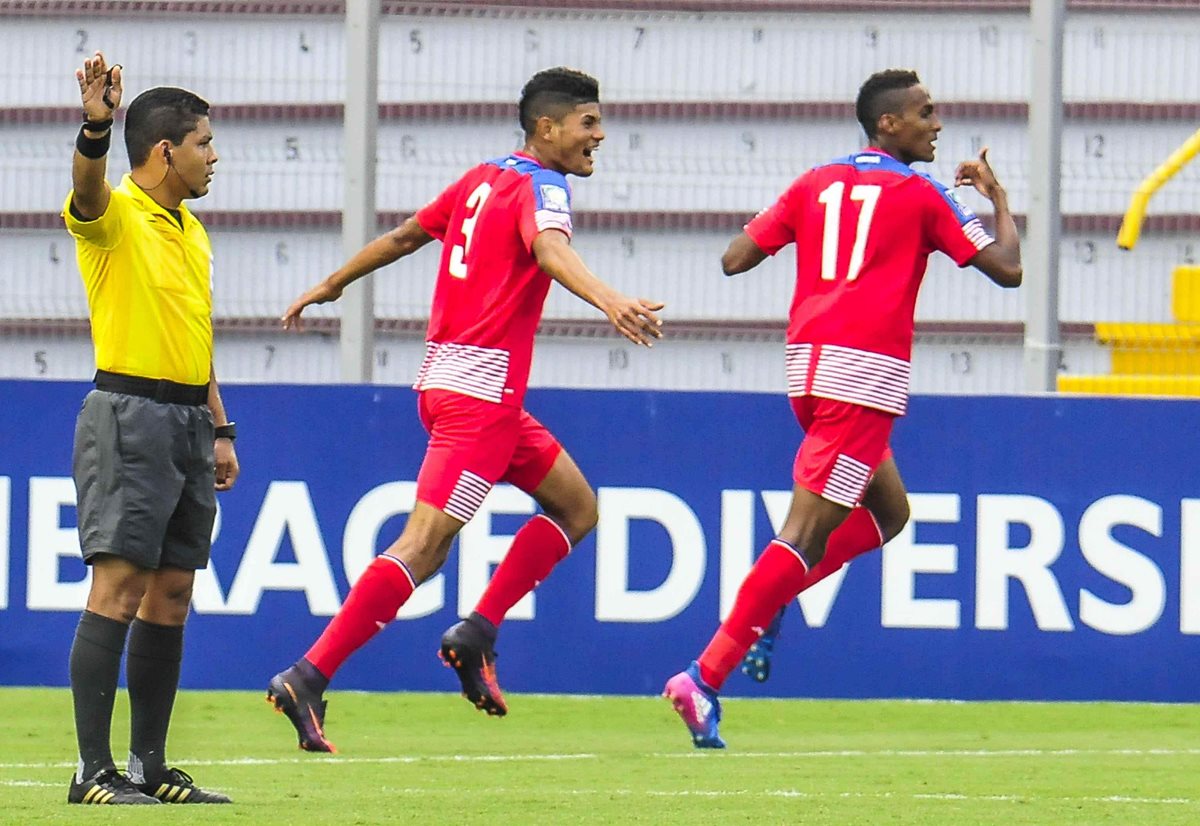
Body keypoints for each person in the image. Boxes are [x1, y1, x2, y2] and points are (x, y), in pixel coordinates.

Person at [267, 67, 663, 752]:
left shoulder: (482, 178)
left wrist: (332, 282)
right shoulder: (544, 185)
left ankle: (477, 630)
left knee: (577, 508)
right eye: (588, 122)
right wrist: (610, 300)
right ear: (548, 127)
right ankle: (308, 674)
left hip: (459, 385)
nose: (598, 135)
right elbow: (548, 246)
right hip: (480, 398)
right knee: (422, 547)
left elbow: (403, 238)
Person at [664, 68, 1022, 747]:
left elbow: (735, 258)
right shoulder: (923, 194)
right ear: (888, 123)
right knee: (801, 535)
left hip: (808, 370)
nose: (937, 123)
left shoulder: (815, 181)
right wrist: (998, 200)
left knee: (890, 513)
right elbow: (1008, 267)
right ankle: (704, 678)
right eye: (925, 112)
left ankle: (772, 602)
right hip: (865, 376)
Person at [62, 52, 238, 803]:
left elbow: (195, 340)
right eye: (203, 142)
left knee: (172, 593)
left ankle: (149, 767)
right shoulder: (115, 216)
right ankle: (90, 771)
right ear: (165, 150)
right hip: (128, 413)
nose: (214, 155)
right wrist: (96, 126)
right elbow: (85, 188)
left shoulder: (191, 232)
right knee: (120, 584)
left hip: (187, 424)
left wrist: (221, 430)